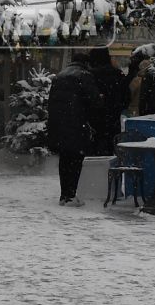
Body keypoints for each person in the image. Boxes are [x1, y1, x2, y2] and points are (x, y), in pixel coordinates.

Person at [45, 54, 99, 206]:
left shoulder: (59, 76)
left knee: (64, 159)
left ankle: (64, 195)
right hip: (77, 124)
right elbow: (94, 101)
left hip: (59, 124)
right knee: (75, 160)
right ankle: (71, 195)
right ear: (85, 63)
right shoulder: (84, 75)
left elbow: (52, 102)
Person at [87, 49, 129, 157]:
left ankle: (97, 171)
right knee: (111, 149)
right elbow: (126, 97)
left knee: (95, 150)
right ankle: (109, 171)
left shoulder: (90, 75)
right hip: (113, 119)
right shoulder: (118, 74)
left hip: (94, 120)